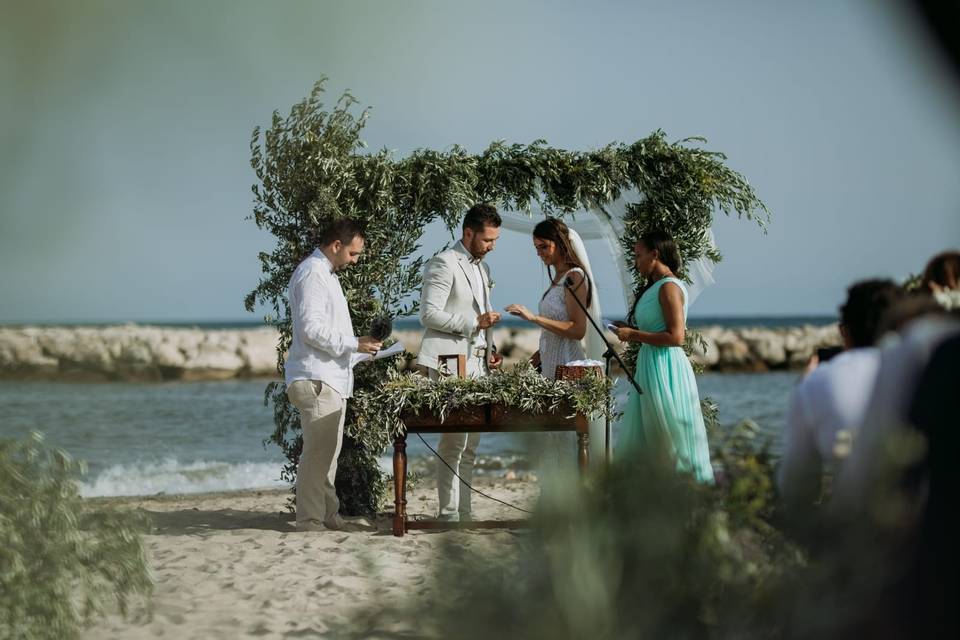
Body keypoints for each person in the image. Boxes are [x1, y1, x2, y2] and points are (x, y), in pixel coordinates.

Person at [284, 218, 382, 533]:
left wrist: (359, 350)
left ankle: (328, 516)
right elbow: (310, 329)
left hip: (329, 378)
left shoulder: (326, 274)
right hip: (316, 379)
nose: (354, 261)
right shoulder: (312, 274)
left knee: (329, 455)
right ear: (336, 245)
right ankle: (309, 520)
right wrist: (354, 343)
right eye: (353, 254)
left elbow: (328, 334)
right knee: (317, 455)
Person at [777, 279, 902, 512]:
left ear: (847, 332)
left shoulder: (818, 381)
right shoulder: (927, 368)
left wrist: (803, 385)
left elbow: (795, 486)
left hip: (856, 525)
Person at [417, 203, 503, 522]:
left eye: (495, 240)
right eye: (487, 240)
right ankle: (448, 513)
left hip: (477, 364)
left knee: (472, 443)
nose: (492, 246)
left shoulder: (483, 268)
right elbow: (428, 314)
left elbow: (479, 317)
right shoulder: (443, 262)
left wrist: (488, 349)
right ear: (468, 233)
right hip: (448, 363)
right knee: (454, 440)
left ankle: (465, 511)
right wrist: (473, 325)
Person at [613, 230, 714, 483]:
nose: (635, 262)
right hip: (651, 364)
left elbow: (676, 337)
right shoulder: (655, 287)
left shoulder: (669, 287)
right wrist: (625, 329)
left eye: (638, 255)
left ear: (654, 254)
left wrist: (634, 335)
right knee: (647, 433)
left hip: (664, 366)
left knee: (666, 434)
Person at [504, 217, 604, 469]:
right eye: (536, 248)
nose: (539, 254)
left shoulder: (574, 277)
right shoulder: (558, 278)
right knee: (551, 433)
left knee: (564, 432)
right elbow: (555, 328)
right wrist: (538, 355)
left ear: (560, 244)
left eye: (543, 247)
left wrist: (532, 317)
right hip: (549, 362)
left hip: (567, 364)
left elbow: (577, 329)